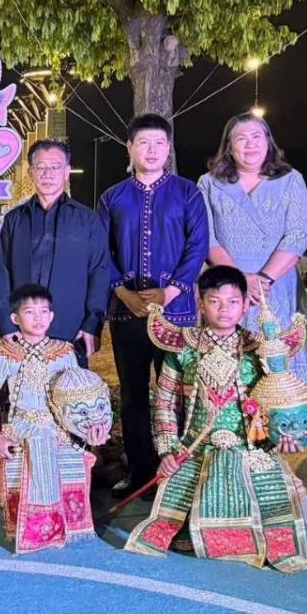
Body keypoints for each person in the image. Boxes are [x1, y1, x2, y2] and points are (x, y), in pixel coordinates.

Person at [124, 266, 307, 573]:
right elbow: (165, 402)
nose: (224, 309)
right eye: (214, 301)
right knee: (176, 517)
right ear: (200, 303)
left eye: (233, 301)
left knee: (280, 503)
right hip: (195, 448)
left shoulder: (259, 350)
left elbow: (279, 404)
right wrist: (168, 450)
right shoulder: (183, 348)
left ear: (245, 305)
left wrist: (285, 438)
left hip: (251, 447)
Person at [97, 114, 210, 493]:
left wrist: (171, 291)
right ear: (129, 147)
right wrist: (122, 291)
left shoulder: (188, 193)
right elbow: (102, 251)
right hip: (126, 313)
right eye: (143, 142)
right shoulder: (112, 198)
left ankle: (177, 473)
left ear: (168, 148)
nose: (152, 150)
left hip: (177, 314)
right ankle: (141, 473)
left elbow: (197, 247)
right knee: (133, 395)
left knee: (177, 393)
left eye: (159, 143)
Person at [0, 284, 113, 553]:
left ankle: (64, 527)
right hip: (23, 427)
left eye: (43, 311)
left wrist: (92, 429)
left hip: (59, 426)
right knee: (39, 442)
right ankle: (39, 529)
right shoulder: (6, 355)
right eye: (29, 312)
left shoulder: (65, 352)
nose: (38, 318)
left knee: (64, 451)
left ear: (52, 316)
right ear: (15, 318)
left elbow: (79, 398)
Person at [197, 113, 307, 387]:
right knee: (229, 369)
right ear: (229, 146)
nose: (250, 144)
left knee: (278, 366)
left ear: (268, 142)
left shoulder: (291, 179)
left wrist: (263, 280)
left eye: (256, 136)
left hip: (276, 285)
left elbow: (298, 234)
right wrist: (240, 280)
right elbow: (206, 237)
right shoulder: (209, 183)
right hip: (228, 288)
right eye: (241, 138)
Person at [0, 140, 112, 367]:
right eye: (40, 167)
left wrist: (92, 324)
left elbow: (100, 272)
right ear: (30, 172)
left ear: (67, 171)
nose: (47, 173)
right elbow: (3, 273)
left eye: (55, 167)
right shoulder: (14, 220)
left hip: (71, 333)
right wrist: (6, 325)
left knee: (68, 389)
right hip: (22, 334)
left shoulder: (88, 220)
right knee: (22, 389)